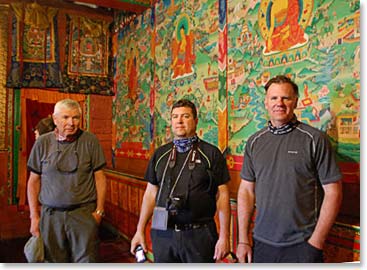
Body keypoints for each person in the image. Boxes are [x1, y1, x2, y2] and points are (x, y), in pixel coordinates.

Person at [236, 75, 343, 263]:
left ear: (295, 102)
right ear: (266, 103)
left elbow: (333, 192)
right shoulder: (254, 142)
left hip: (303, 244)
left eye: (285, 98)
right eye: (274, 98)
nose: (280, 103)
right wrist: (243, 240)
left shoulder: (314, 139)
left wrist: (316, 242)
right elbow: (246, 191)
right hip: (261, 243)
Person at [130, 99, 230, 263]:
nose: (179, 121)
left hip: (199, 234)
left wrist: (224, 236)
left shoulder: (211, 154)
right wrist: (139, 230)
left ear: (196, 121)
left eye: (185, 116)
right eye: (175, 117)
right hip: (163, 232)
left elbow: (223, 195)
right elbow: (150, 194)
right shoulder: (160, 154)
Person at [27, 99, 107, 263]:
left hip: (83, 214)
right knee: (54, 261)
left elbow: (100, 178)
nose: (71, 123)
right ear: (55, 119)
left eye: (76, 118)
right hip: (51, 216)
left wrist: (99, 211)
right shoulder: (42, 142)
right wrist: (34, 216)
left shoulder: (90, 141)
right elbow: (33, 181)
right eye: (65, 117)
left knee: (87, 261)